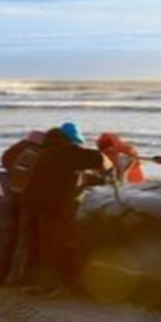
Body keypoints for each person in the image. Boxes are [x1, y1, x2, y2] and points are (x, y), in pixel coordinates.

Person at [25, 125, 110, 297]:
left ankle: (48, 284)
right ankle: (57, 286)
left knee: (46, 246)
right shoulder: (68, 152)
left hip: (40, 205)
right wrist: (109, 168)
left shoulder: (45, 153)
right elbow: (100, 159)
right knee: (62, 244)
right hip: (59, 207)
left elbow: (67, 174)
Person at [0, 130, 46, 285]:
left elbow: (6, 165)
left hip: (6, 201)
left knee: (2, 241)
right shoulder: (34, 155)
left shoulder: (14, 153)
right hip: (20, 204)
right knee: (21, 241)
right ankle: (15, 278)